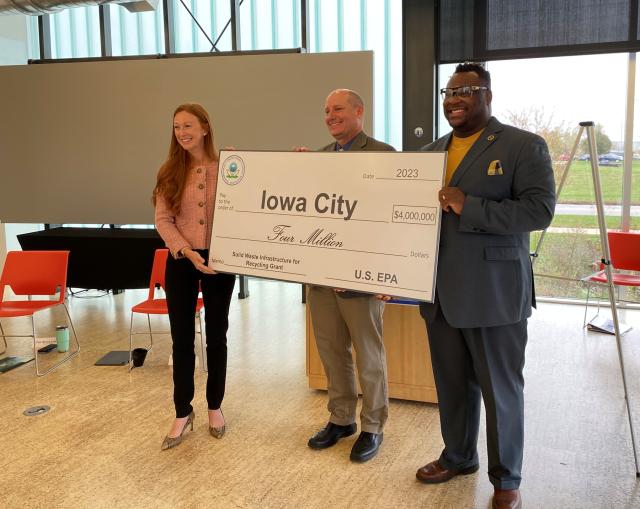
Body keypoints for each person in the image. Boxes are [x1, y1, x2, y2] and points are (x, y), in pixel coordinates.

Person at [416, 63, 555, 509]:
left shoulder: (522, 145)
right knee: (452, 385)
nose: (453, 99)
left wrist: (468, 206)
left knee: (501, 390)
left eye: (465, 91)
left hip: (494, 293)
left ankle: (506, 479)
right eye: (448, 91)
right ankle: (458, 456)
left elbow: (538, 211)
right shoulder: (428, 153)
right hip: (439, 294)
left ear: (487, 94)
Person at [293, 89, 395, 462]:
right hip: (321, 275)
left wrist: (388, 273)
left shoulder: (383, 155)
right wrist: (296, 173)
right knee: (332, 352)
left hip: (361, 274)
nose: (330, 115)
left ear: (359, 112)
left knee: (368, 354)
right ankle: (341, 419)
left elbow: (389, 214)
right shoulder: (318, 159)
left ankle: (373, 426)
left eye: (338, 108)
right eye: (326, 110)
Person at [153, 103, 237, 450]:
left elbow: (248, 207)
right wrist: (187, 252)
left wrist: (242, 167)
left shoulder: (227, 168)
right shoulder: (170, 171)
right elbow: (163, 220)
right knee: (181, 339)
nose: (182, 133)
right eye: (176, 127)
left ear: (205, 127)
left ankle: (214, 406)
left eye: (188, 126)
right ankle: (182, 411)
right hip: (181, 259)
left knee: (217, 335)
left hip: (221, 261)